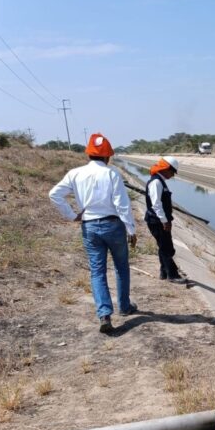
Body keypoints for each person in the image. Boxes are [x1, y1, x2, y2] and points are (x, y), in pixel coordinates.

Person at [49, 133, 138, 333]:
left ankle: (104, 314)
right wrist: (131, 229)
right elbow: (122, 205)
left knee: (97, 272)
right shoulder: (112, 174)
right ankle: (124, 306)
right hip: (113, 226)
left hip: (90, 226)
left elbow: (54, 194)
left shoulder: (75, 173)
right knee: (121, 267)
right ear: (108, 156)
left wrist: (72, 215)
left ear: (88, 154)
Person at [145, 156, 184, 283]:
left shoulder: (160, 181)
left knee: (165, 247)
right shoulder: (156, 182)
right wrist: (164, 221)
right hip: (157, 221)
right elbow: (156, 204)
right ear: (166, 169)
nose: (172, 175)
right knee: (167, 249)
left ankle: (164, 272)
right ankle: (173, 275)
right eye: (172, 172)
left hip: (160, 221)